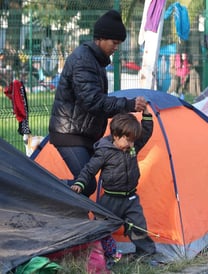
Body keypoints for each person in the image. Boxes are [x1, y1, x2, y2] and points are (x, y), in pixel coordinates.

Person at [49, 10, 147, 197]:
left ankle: (73, 218)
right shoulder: (84, 60)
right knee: (86, 185)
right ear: (101, 38)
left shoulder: (95, 61)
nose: (116, 47)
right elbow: (92, 101)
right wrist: (129, 105)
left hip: (81, 133)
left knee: (85, 185)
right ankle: (40, 190)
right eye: (114, 43)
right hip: (69, 134)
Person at [71, 111, 156, 260]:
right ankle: (93, 253)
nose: (131, 145)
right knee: (100, 226)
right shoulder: (104, 152)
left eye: (133, 141)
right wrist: (80, 183)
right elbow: (89, 169)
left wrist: (147, 117)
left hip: (131, 198)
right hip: (111, 199)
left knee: (138, 226)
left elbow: (145, 134)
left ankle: (146, 254)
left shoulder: (132, 147)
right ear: (116, 136)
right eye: (128, 140)